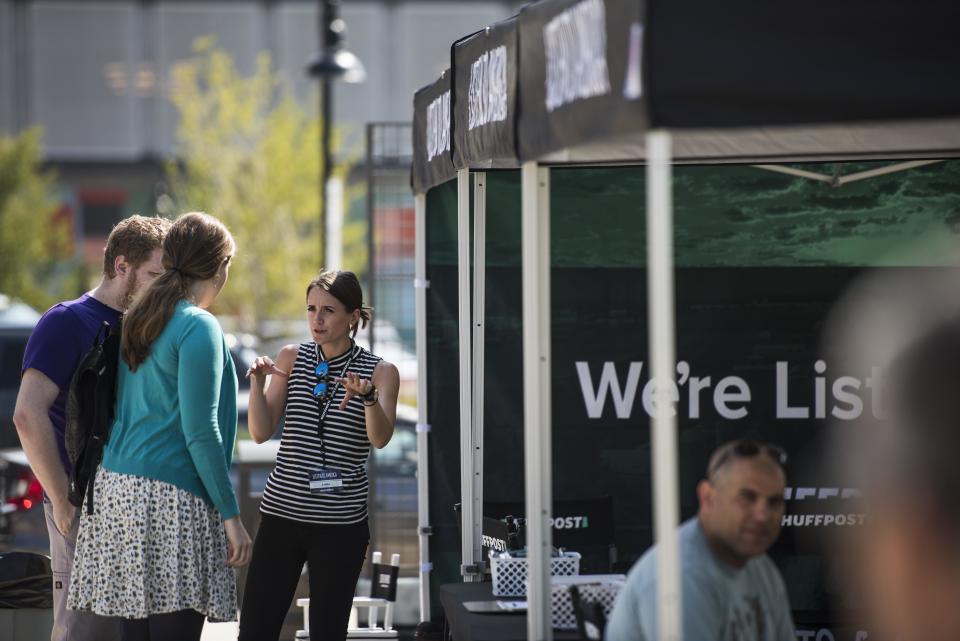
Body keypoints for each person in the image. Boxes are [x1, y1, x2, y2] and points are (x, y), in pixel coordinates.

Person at [65, 212, 252, 641]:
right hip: (170, 498)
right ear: (220, 266)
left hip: (118, 494)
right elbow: (201, 431)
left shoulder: (139, 317)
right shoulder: (198, 325)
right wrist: (231, 517)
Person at [14, 214, 169, 641]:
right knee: (81, 631)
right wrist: (63, 501)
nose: (162, 286)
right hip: (84, 504)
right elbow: (28, 414)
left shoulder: (145, 327)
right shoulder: (67, 321)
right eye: (155, 274)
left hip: (133, 502)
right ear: (122, 266)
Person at [238, 269, 399, 641]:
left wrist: (369, 399)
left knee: (328, 631)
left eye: (328, 310)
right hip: (282, 515)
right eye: (311, 309)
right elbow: (261, 432)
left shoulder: (381, 371)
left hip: (340, 525)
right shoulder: (291, 357)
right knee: (256, 629)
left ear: (353, 317)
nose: (317, 319)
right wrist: (258, 383)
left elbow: (381, 439)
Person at [606, 440, 795, 641]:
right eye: (747, 498)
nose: (762, 515)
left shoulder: (760, 567)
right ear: (708, 497)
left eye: (775, 502)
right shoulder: (681, 577)